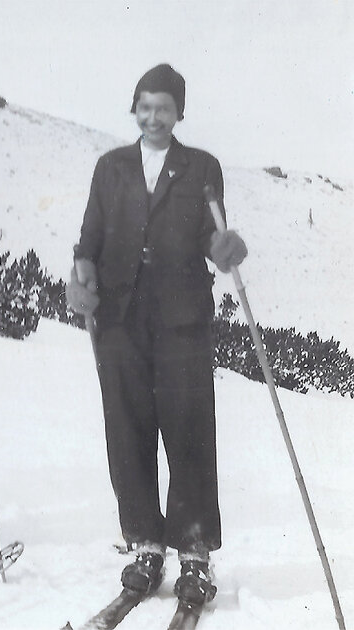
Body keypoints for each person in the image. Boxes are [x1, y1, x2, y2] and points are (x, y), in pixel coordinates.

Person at [67, 63, 248, 606]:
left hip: (180, 316)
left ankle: (193, 552)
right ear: (135, 108)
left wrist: (224, 249)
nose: (153, 117)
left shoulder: (201, 167)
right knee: (127, 428)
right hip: (119, 317)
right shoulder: (111, 166)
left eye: (164, 108)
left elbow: (212, 233)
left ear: (179, 113)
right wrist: (82, 274)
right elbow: (90, 235)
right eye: (145, 106)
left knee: (188, 427)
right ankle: (146, 543)